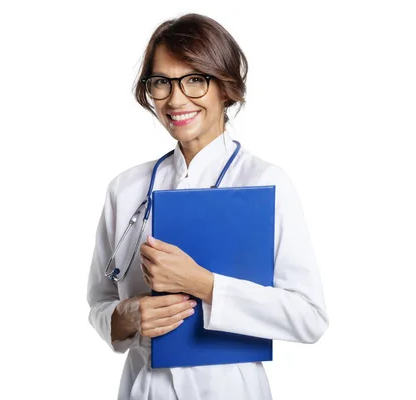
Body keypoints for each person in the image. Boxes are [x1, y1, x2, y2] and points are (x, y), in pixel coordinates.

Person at [86, 13, 329, 400]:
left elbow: (309, 317)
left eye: (195, 79)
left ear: (226, 88)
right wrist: (128, 317)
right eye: (161, 82)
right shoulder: (126, 188)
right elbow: (99, 303)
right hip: (144, 388)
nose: (176, 98)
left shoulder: (266, 182)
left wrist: (204, 285)